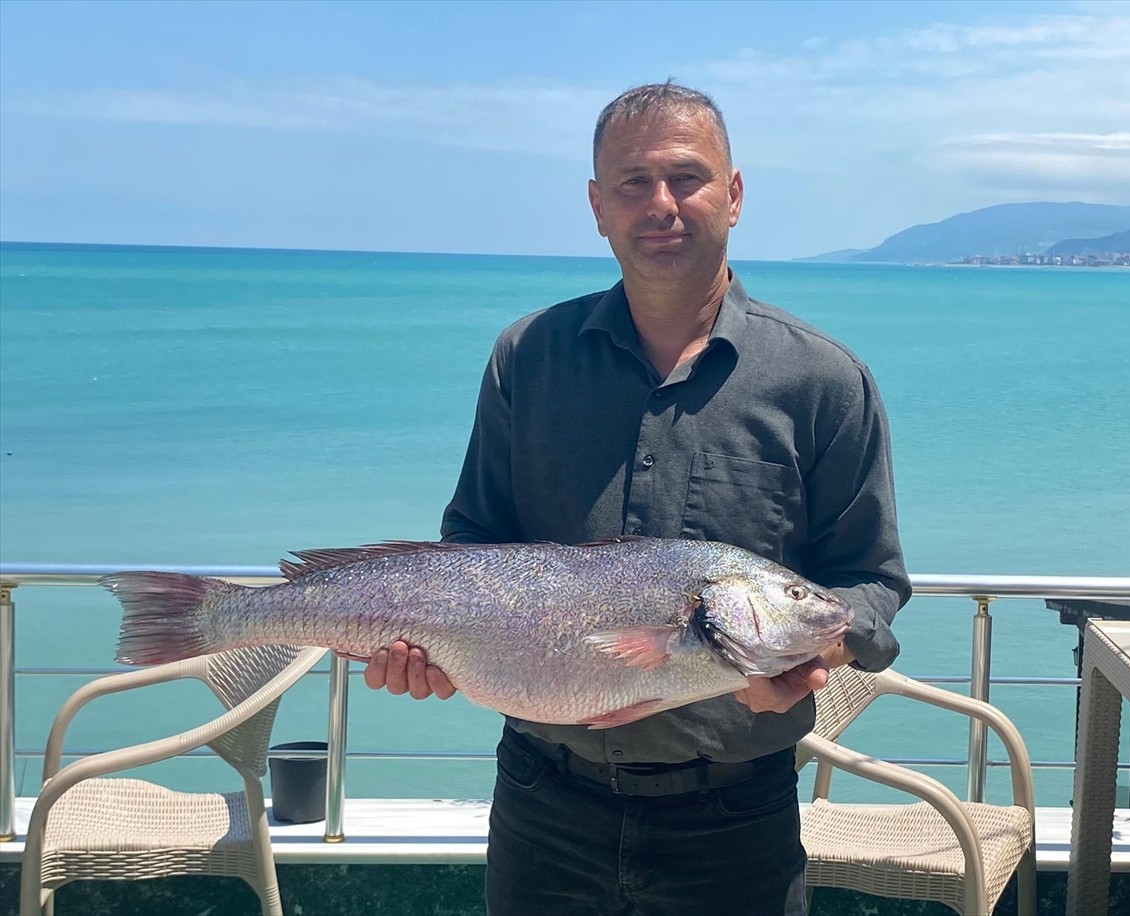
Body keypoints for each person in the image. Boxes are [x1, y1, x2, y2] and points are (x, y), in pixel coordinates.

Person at [363, 81, 910, 916]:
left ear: (733, 194)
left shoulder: (821, 380)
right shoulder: (528, 356)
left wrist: (809, 660)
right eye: (633, 183)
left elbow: (870, 581)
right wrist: (429, 647)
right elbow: (472, 539)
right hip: (543, 801)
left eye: (687, 178)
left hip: (736, 816)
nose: (662, 204)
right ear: (596, 206)